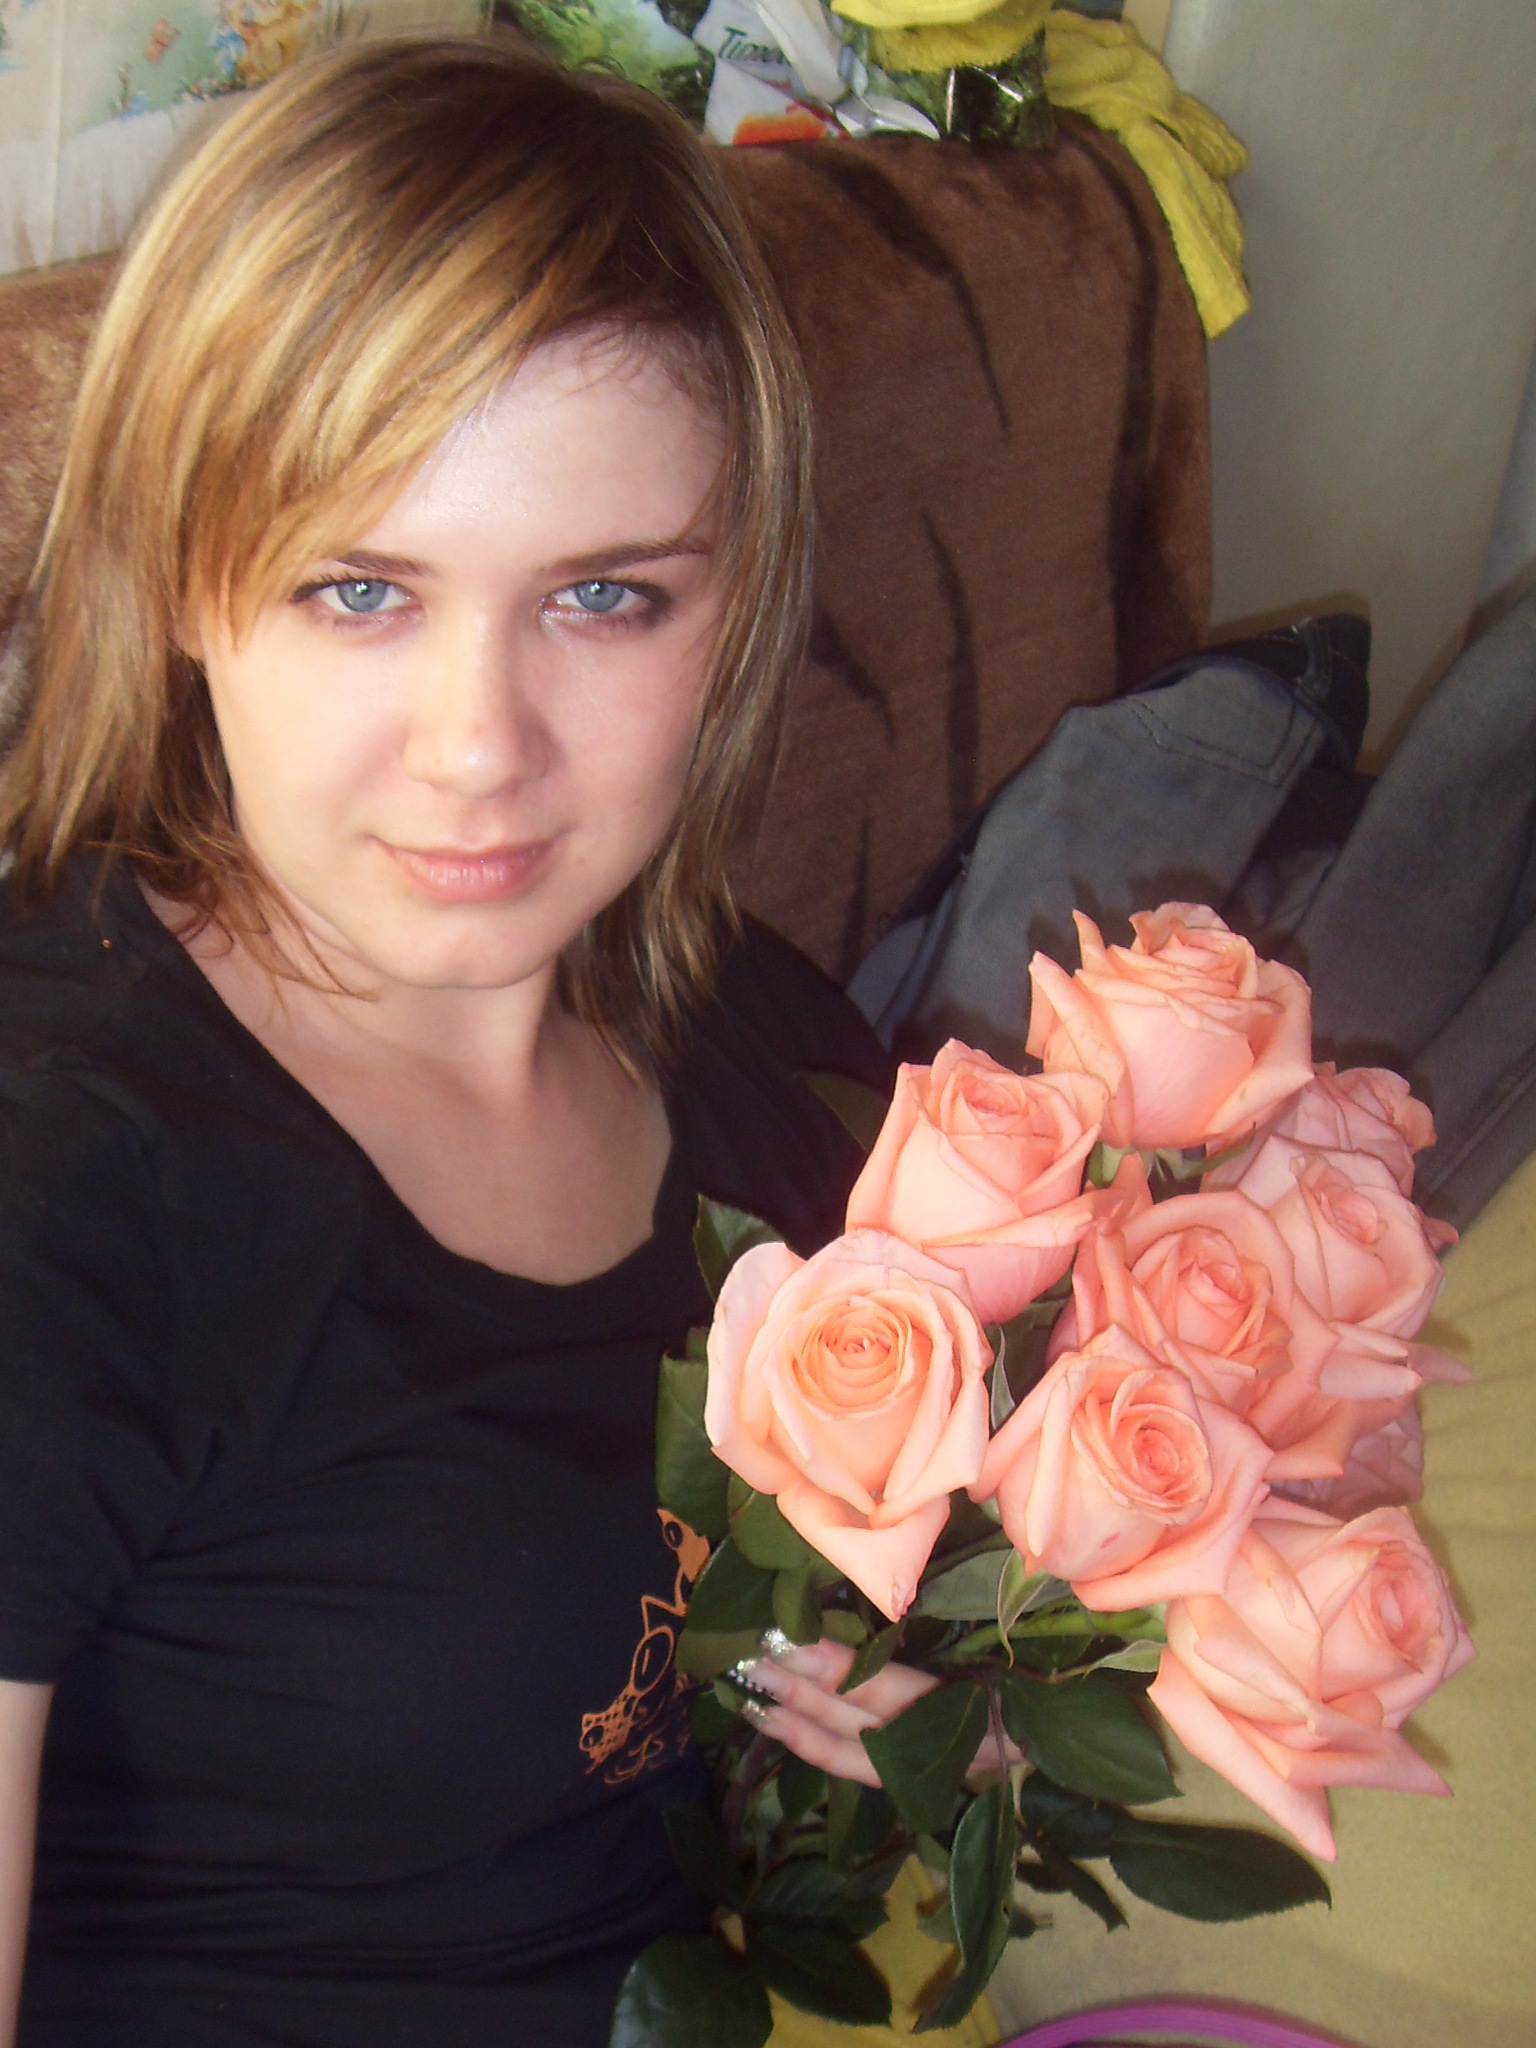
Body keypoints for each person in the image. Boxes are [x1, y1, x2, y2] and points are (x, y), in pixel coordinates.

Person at [0, 37, 904, 2046]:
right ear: (180, 582)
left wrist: (939, 1702)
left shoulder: (772, 1056)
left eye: (603, 597)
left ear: (736, 607)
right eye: (360, 590)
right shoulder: (54, 1172)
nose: (479, 747)